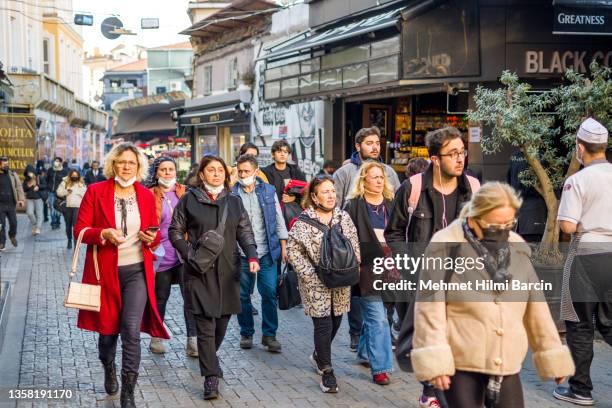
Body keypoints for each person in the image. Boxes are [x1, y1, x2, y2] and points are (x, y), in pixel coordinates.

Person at [411, 182, 575, 407]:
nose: (502, 231)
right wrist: (435, 360)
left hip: (506, 361)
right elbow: (430, 307)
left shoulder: (517, 248)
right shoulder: (445, 245)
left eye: (508, 224)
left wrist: (550, 351)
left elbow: (535, 306)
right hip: (462, 361)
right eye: (494, 225)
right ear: (473, 219)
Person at [384, 126, 480, 408]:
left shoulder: (473, 188)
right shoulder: (412, 188)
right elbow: (394, 232)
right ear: (435, 159)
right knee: (430, 335)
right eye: (453, 154)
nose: (460, 158)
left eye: (462, 152)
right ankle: (430, 389)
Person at [74, 142, 168, 408]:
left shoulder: (146, 195)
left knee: (130, 330)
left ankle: (128, 392)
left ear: (139, 167)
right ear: (113, 164)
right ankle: (108, 366)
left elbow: (154, 233)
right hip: (104, 274)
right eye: (122, 162)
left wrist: (152, 237)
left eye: (132, 163)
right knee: (107, 334)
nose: (126, 167)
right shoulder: (95, 191)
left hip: (137, 271)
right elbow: (80, 230)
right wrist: (102, 233)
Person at [169, 155, 259, 400]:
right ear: (202, 174)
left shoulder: (234, 202)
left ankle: (210, 359)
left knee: (221, 323)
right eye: (211, 170)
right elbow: (175, 230)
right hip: (198, 272)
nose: (216, 174)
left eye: (220, 170)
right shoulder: (189, 199)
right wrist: (189, 254)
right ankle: (210, 378)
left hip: (229, 270)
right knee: (205, 326)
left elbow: (245, 232)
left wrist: (252, 256)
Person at [553, 118, 612, 406]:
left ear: (580, 147)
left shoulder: (576, 180)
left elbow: (566, 226)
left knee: (579, 323)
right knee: (609, 324)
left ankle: (580, 389)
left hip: (586, 256)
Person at [287, 175, 360, 393]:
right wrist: (308, 274)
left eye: (332, 191)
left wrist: (354, 262)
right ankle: (327, 371)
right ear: (315, 197)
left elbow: (354, 242)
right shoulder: (303, 222)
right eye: (325, 192)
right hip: (315, 281)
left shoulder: (343, 217)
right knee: (323, 323)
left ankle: (319, 354)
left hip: (341, 278)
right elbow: (292, 251)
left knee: (337, 319)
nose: (330, 196)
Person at [333, 126, 401, 352]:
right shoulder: (344, 173)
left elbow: (396, 204)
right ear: (358, 146)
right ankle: (357, 334)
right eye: (369, 143)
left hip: (387, 255)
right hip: (360, 251)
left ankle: (372, 339)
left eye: (377, 143)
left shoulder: (389, 172)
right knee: (360, 297)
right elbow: (337, 208)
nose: (374, 147)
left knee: (385, 302)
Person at [344, 161, 394, 385]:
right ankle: (381, 368)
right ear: (363, 180)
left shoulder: (392, 204)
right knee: (379, 319)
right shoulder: (353, 206)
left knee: (380, 314)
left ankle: (364, 352)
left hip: (392, 267)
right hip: (366, 269)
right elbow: (344, 237)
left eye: (381, 177)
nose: (378, 181)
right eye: (373, 177)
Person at [232, 154, 288, 352]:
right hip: (240, 254)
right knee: (242, 296)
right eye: (240, 171)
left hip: (267, 252)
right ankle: (246, 332)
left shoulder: (268, 191)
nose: (243, 174)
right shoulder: (232, 194)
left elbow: (279, 220)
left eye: (247, 171)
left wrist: (284, 247)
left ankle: (269, 335)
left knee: (269, 293)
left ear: (256, 172)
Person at [146, 157, 198, 357]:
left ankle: (193, 340)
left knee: (190, 298)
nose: (167, 173)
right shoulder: (149, 194)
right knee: (161, 297)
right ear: (156, 172)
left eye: (171, 169)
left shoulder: (185, 192)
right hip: (161, 255)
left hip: (184, 255)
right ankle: (156, 337)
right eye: (163, 169)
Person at [261, 139, 306, 204]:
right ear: (273, 154)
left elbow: (305, 190)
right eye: (279, 152)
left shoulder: (295, 171)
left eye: (285, 152)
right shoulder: (266, 172)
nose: (282, 154)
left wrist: (294, 198)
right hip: (273, 207)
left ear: (288, 154)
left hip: (291, 209)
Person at [57, 169, 87, 249]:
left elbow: (85, 194)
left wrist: (78, 192)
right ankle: (69, 240)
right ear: (70, 176)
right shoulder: (65, 182)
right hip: (67, 207)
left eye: (76, 175)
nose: (74, 177)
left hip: (77, 207)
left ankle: (75, 243)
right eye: (73, 175)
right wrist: (67, 191)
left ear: (78, 176)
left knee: (76, 226)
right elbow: (58, 192)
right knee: (68, 226)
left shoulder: (81, 183)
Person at [0, 157, 25, 250]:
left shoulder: (12, 174)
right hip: (0, 205)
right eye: (4, 164)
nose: (6, 166)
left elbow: (19, 187)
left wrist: (21, 199)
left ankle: (12, 235)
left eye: (7, 164)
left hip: (11, 204)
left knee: (13, 223)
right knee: (1, 225)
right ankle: (2, 242)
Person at [23, 164, 46, 236]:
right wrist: (28, 185)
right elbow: (23, 189)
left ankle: (38, 228)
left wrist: (38, 187)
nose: (29, 173)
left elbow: (45, 185)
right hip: (29, 198)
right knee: (29, 212)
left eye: (30, 172)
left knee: (39, 214)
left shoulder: (39, 177)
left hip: (38, 198)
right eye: (28, 172)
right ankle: (35, 223)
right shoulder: (26, 179)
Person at [47, 157, 68, 230]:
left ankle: (58, 222)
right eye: (55, 161)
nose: (56, 162)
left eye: (58, 161)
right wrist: (48, 187)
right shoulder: (50, 170)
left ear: (61, 163)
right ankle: (53, 223)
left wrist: (65, 192)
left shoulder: (64, 171)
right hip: (51, 193)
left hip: (60, 193)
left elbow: (67, 182)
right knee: (52, 208)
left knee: (58, 208)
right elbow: (47, 180)